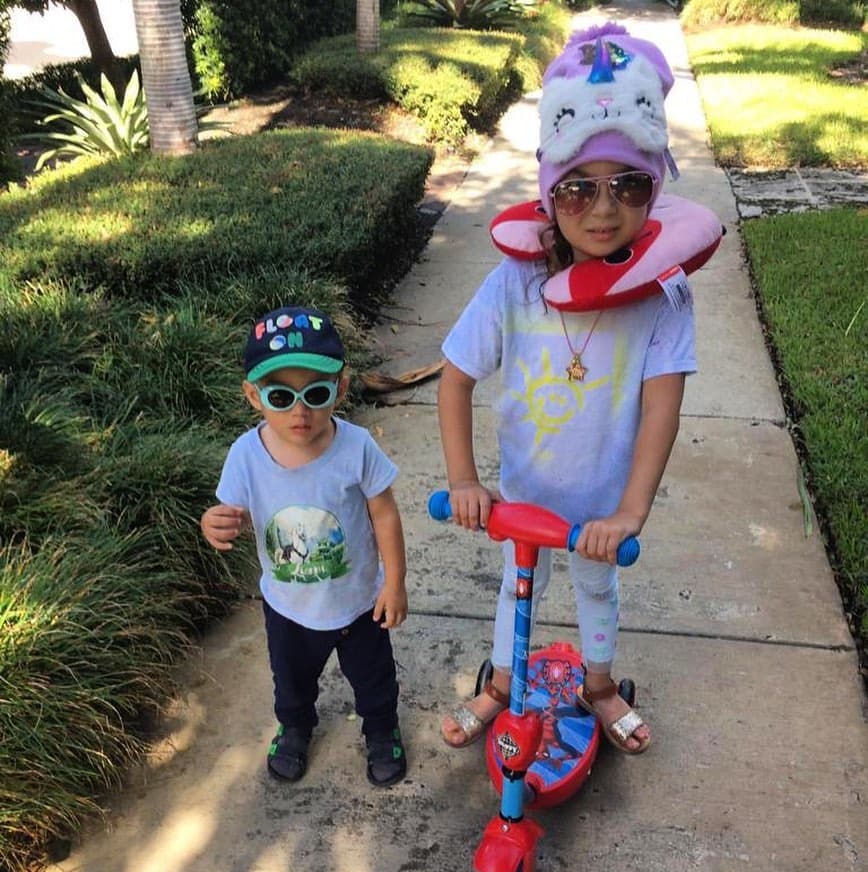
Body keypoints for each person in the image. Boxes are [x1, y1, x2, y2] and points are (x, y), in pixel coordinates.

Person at [438, 22, 698, 755]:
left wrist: (631, 510)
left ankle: (601, 683)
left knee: (596, 590)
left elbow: (661, 407)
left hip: (601, 505)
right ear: (551, 193)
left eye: (630, 185)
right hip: (523, 496)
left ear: (656, 184)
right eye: (578, 188)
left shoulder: (665, 297)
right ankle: (497, 687)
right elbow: (455, 377)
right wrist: (466, 482)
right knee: (517, 590)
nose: (604, 209)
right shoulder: (515, 284)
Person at [201, 305, 409, 787]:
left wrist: (394, 582)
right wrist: (215, 524)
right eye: (281, 395)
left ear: (339, 386)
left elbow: (385, 513)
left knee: (375, 680)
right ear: (254, 396)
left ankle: (381, 731)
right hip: (288, 606)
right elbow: (235, 512)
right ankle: (295, 728)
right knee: (291, 681)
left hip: (359, 603)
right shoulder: (245, 456)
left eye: (315, 393)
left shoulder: (356, 448)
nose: (300, 411)